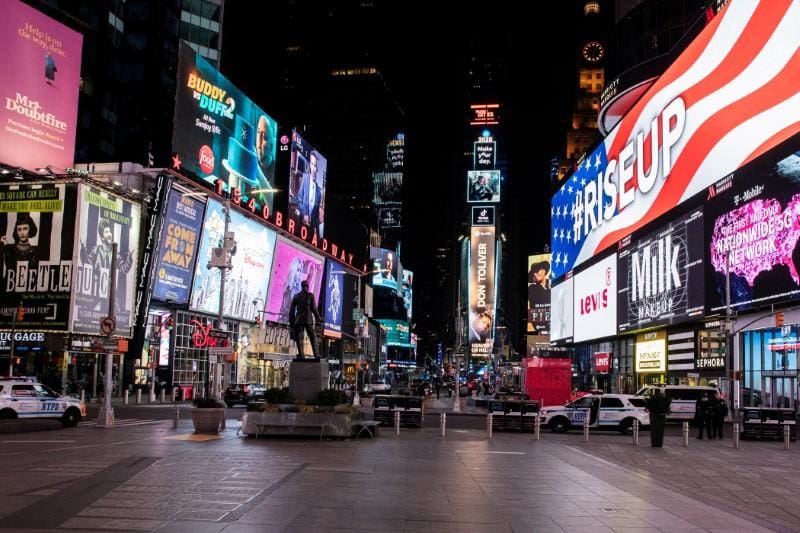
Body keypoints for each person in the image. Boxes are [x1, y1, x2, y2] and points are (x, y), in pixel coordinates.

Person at [1, 213, 39, 285]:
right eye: (19, 229)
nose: (22, 233)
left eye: (25, 229)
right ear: (16, 231)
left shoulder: (35, 251)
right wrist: (6, 246)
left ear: (30, 229)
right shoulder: (10, 248)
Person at [289, 279, 322, 360]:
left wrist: (292, 322)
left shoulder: (298, 296)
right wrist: (318, 318)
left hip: (301, 320)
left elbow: (292, 311)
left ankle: (305, 355)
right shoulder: (309, 295)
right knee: (310, 337)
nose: (305, 287)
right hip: (305, 320)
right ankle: (314, 355)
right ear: (307, 286)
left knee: (301, 338)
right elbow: (314, 309)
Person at [296, 151, 323, 230]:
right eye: (312, 164)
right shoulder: (305, 178)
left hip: (311, 229)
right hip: (301, 223)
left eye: (315, 166)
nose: (313, 168)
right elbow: (299, 200)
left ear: (318, 169)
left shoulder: (318, 191)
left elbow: (317, 214)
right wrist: (305, 214)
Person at [255, 114, 276, 179]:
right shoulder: (252, 162)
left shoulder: (274, 172)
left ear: (271, 147)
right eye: (258, 132)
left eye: (264, 137)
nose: (259, 141)